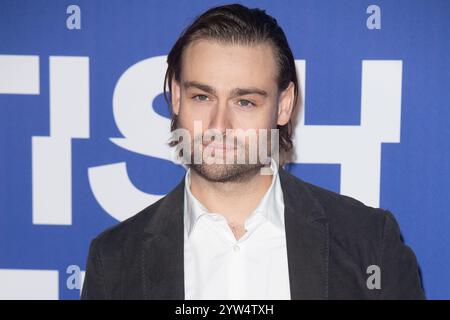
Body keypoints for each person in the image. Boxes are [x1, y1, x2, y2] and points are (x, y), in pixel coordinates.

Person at [81, 3, 425, 300]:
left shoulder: (369, 243)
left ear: (283, 105)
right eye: (202, 97)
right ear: (175, 95)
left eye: (244, 102)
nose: (219, 124)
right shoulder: (114, 261)